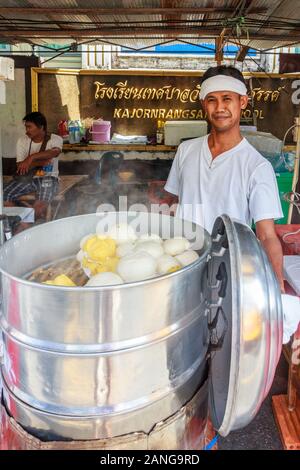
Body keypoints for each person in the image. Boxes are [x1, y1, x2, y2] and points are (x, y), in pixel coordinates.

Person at [164, 65, 285, 291]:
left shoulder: (257, 166)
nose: (219, 108)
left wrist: (276, 282)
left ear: (242, 102)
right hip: (182, 265)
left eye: (227, 99)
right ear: (203, 104)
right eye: (211, 100)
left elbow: (267, 235)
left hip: (228, 272)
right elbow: (173, 202)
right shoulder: (186, 151)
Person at [4, 112, 63, 220]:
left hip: (48, 178)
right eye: (26, 127)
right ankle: (17, 222)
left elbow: (54, 152)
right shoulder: (22, 141)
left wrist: (30, 158)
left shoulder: (55, 139)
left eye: (29, 127)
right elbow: (20, 166)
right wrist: (40, 162)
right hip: (27, 177)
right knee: (4, 195)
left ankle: (24, 225)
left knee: (40, 205)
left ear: (41, 127)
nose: (27, 130)